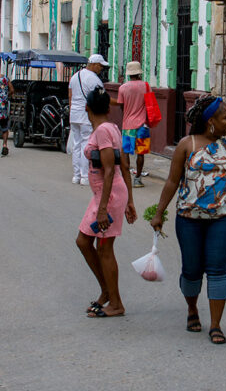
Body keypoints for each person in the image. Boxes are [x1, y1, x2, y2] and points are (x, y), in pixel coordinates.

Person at [150, 96, 226, 345]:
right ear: (210, 121)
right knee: (192, 270)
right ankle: (192, 309)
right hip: (189, 219)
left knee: (217, 270)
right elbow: (172, 181)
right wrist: (159, 212)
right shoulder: (187, 145)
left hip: (223, 219)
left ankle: (216, 325)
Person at [76, 86, 137, 318]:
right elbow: (125, 166)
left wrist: (103, 209)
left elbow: (111, 169)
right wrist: (130, 200)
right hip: (107, 196)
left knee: (104, 249)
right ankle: (106, 292)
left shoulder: (102, 131)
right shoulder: (112, 128)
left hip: (107, 197)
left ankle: (116, 303)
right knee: (83, 241)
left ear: (87, 108)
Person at [68, 55, 108, 185]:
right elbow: (101, 98)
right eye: (100, 66)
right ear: (94, 64)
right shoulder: (94, 80)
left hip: (74, 114)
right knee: (86, 144)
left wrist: (73, 110)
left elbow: (70, 96)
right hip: (86, 116)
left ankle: (76, 175)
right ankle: (85, 176)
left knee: (77, 144)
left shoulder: (75, 76)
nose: (101, 69)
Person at [114, 61, 149, 189]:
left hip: (128, 125)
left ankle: (126, 177)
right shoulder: (146, 86)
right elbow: (149, 104)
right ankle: (138, 179)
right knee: (141, 153)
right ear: (139, 73)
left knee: (126, 152)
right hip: (143, 125)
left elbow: (122, 106)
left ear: (128, 74)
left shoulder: (122, 88)